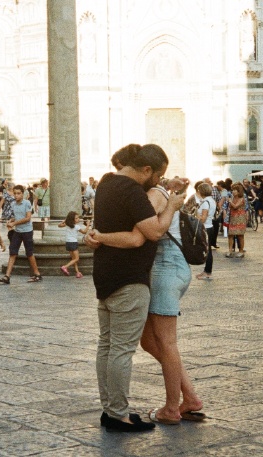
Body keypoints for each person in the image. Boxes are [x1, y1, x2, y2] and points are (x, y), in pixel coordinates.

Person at [85, 143, 185, 432]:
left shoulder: (106, 183)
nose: (158, 181)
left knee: (106, 345)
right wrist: (172, 206)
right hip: (130, 278)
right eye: (158, 175)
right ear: (146, 169)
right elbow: (150, 233)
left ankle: (110, 409)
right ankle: (118, 415)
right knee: (121, 350)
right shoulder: (132, 192)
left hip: (105, 275)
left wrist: (98, 236)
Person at [0, 184, 42, 284]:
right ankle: (7, 276)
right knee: (12, 253)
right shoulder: (13, 204)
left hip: (27, 231)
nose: (16, 195)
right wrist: (11, 220)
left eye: (18, 193)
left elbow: (28, 218)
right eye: (15, 193)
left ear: (22, 194)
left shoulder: (27, 203)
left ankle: (37, 274)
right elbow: (17, 216)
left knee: (29, 253)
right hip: (17, 231)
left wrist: (14, 223)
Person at [58, 211, 90, 278]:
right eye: (76, 218)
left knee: (73, 259)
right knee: (77, 258)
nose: (78, 219)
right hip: (73, 243)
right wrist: (88, 225)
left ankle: (77, 272)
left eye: (78, 218)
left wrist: (65, 221)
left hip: (68, 243)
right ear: (72, 219)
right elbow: (84, 232)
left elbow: (59, 225)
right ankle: (65, 267)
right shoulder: (77, 226)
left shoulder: (67, 225)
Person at [195, 182, 217, 280]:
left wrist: (196, 214)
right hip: (210, 226)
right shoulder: (211, 200)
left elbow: (203, 219)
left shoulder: (205, 202)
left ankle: (208, 272)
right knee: (208, 250)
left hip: (205, 227)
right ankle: (206, 271)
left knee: (207, 250)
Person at [225, 183, 247, 258]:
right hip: (233, 218)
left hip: (240, 218)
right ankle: (230, 250)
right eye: (233, 190)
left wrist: (230, 201)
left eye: (235, 190)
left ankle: (241, 251)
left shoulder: (242, 199)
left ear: (239, 191)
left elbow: (235, 206)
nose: (233, 192)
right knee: (230, 234)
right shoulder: (232, 198)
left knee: (240, 235)